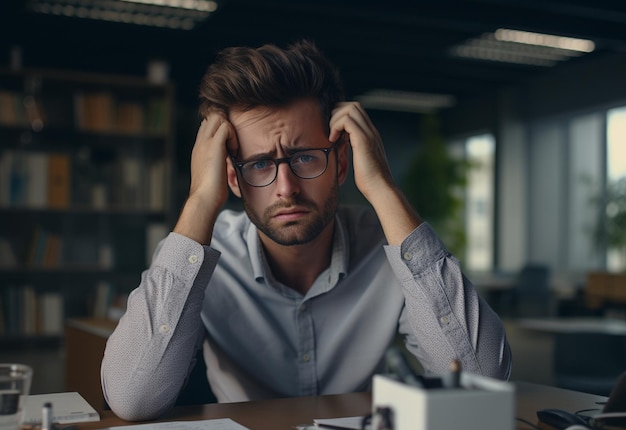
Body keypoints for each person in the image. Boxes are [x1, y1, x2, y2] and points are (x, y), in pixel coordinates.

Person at [101, 39, 512, 421]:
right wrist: (199, 202)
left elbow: (484, 380)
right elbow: (131, 399)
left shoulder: (390, 246)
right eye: (259, 164)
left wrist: (383, 188)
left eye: (305, 157)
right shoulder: (199, 258)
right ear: (232, 177)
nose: (286, 188)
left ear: (342, 164)